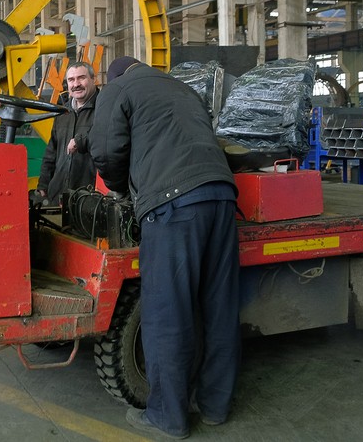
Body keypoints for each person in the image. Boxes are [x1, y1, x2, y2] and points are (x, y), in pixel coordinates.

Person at [89, 56, 240, 440]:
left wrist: (121, 189)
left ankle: (167, 417)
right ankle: (215, 407)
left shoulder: (119, 89)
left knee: (167, 312)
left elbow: (105, 149)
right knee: (219, 307)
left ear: (115, 76)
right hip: (222, 195)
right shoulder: (183, 88)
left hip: (174, 205)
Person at [36, 61, 99, 206]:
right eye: (71, 80)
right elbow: (51, 152)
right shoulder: (63, 114)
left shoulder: (103, 109)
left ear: (93, 79)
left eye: (81, 78)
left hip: (89, 196)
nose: (76, 84)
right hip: (58, 193)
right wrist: (43, 184)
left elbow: (107, 140)